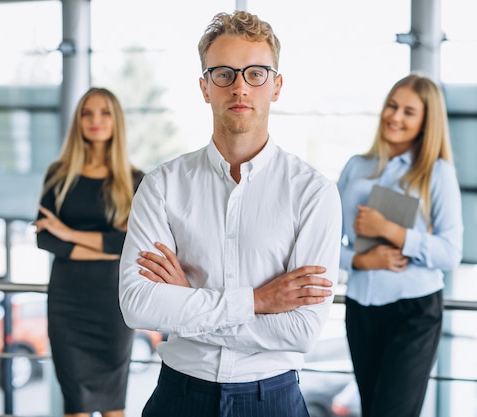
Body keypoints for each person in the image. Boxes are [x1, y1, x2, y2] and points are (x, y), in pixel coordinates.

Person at [118, 10, 342, 417]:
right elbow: (138, 305)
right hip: (178, 396)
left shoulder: (314, 193)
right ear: (205, 88)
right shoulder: (162, 185)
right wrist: (257, 301)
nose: (240, 86)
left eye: (255, 74)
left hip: (272, 401)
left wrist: (187, 301)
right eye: (223, 74)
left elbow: (302, 330)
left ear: (276, 86)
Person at [337, 74, 464, 417]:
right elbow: (323, 242)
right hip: (361, 307)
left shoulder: (437, 173)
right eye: (392, 106)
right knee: (372, 410)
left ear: (426, 122)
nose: (395, 117)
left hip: (414, 312)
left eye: (409, 112)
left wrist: (390, 230)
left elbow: (451, 252)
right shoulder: (356, 167)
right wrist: (361, 261)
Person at [34, 87, 144, 417]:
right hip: (68, 304)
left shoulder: (135, 181)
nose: (95, 120)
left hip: (112, 305)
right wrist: (106, 246)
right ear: (78, 121)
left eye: (104, 112)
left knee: (113, 408)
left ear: (116, 121)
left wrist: (69, 234)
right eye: (87, 113)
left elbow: (131, 246)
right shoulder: (59, 175)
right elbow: (45, 240)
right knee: (76, 406)